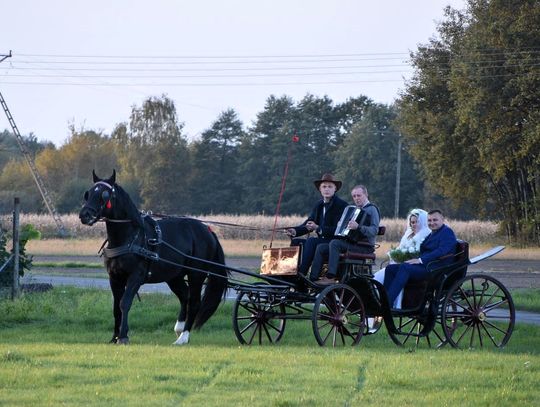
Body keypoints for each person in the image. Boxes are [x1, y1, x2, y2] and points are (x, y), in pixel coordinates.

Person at [383, 209, 457, 308]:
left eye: (435, 220)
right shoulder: (433, 233)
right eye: (429, 220)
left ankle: (387, 303)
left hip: (436, 268)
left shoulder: (447, 232)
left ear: (442, 220)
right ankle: (385, 299)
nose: (432, 223)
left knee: (405, 268)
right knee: (390, 269)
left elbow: (441, 251)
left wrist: (420, 260)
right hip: (426, 265)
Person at [310, 184, 380, 284]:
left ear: (366, 195)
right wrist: (341, 227)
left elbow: (374, 230)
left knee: (335, 243)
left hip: (365, 246)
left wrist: (358, 227)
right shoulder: (354, 210)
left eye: (359, 195)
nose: (356, 198)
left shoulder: (371, 209)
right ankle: (313, 278)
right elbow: (348, 230)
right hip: (353, 243)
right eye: (354, 196)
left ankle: (331, 277)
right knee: (321, 247)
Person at [286, 173, 348, 277]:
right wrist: (295, 231)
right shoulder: (319, 205)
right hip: (322, 240)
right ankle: (290, 272)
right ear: (320, 189)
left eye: (330, 187)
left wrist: (318, 228)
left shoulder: (342, 205)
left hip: (335, 241)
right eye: (324, 187)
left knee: (311, 241)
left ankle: (302, 273)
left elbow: (339, 230)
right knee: (297, 242)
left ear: (335, 189)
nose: (326, 189)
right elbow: (309, 223)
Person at [372, 208, 430, 308]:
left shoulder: (425, 234)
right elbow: (401, 249)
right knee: (382, 273)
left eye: (416, 222)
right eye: (412, 222)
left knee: (391, 272)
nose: (414, 225)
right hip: (401, 264)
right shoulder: (408, 234)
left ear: (422, 222)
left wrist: (407, 258)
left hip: (414, 265)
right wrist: (396, 254)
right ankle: (381, 298)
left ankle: (387, 301)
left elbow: (420, 253)